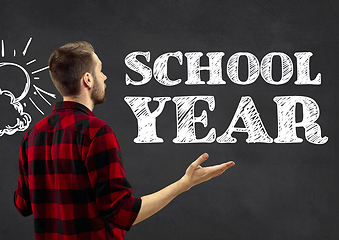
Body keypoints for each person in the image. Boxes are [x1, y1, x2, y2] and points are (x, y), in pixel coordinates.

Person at [14, 41, 235, 240]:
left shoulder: (33, 135)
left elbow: (23, 204)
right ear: (88, 79)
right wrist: (184, 184)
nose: (105, 77)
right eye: (100, 70)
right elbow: (122, 213)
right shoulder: (96, 132)